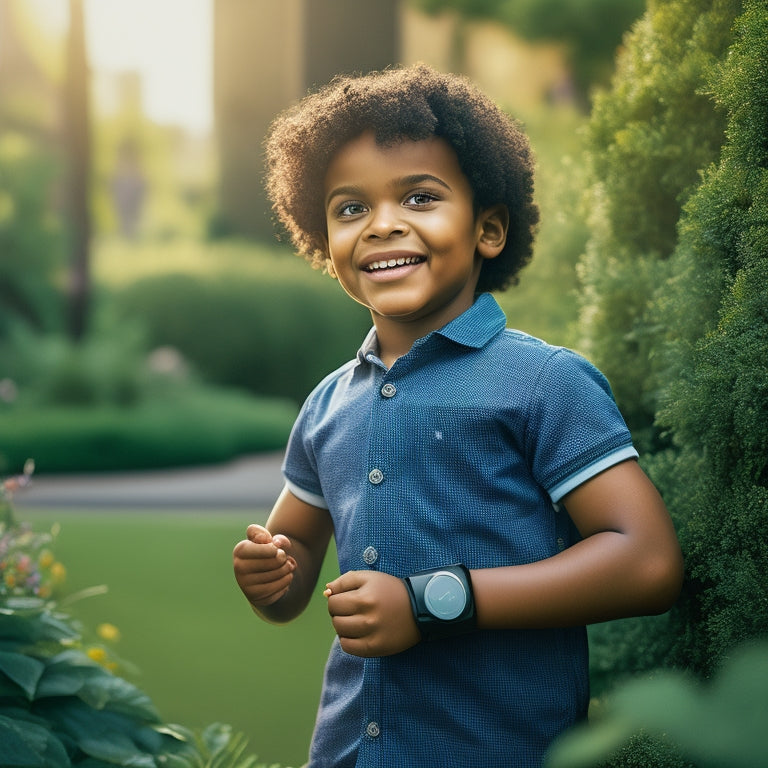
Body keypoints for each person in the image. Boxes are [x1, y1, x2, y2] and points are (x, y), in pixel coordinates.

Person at [232, 64, 683, 768]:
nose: (382, 224)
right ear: (325, 250)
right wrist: (271, 574)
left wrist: (430, 603)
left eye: (419, 195)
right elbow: (291, 574)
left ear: (489, 229)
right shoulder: (328, 403)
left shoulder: (542, 382)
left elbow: (647, 561)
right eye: (350, 209)